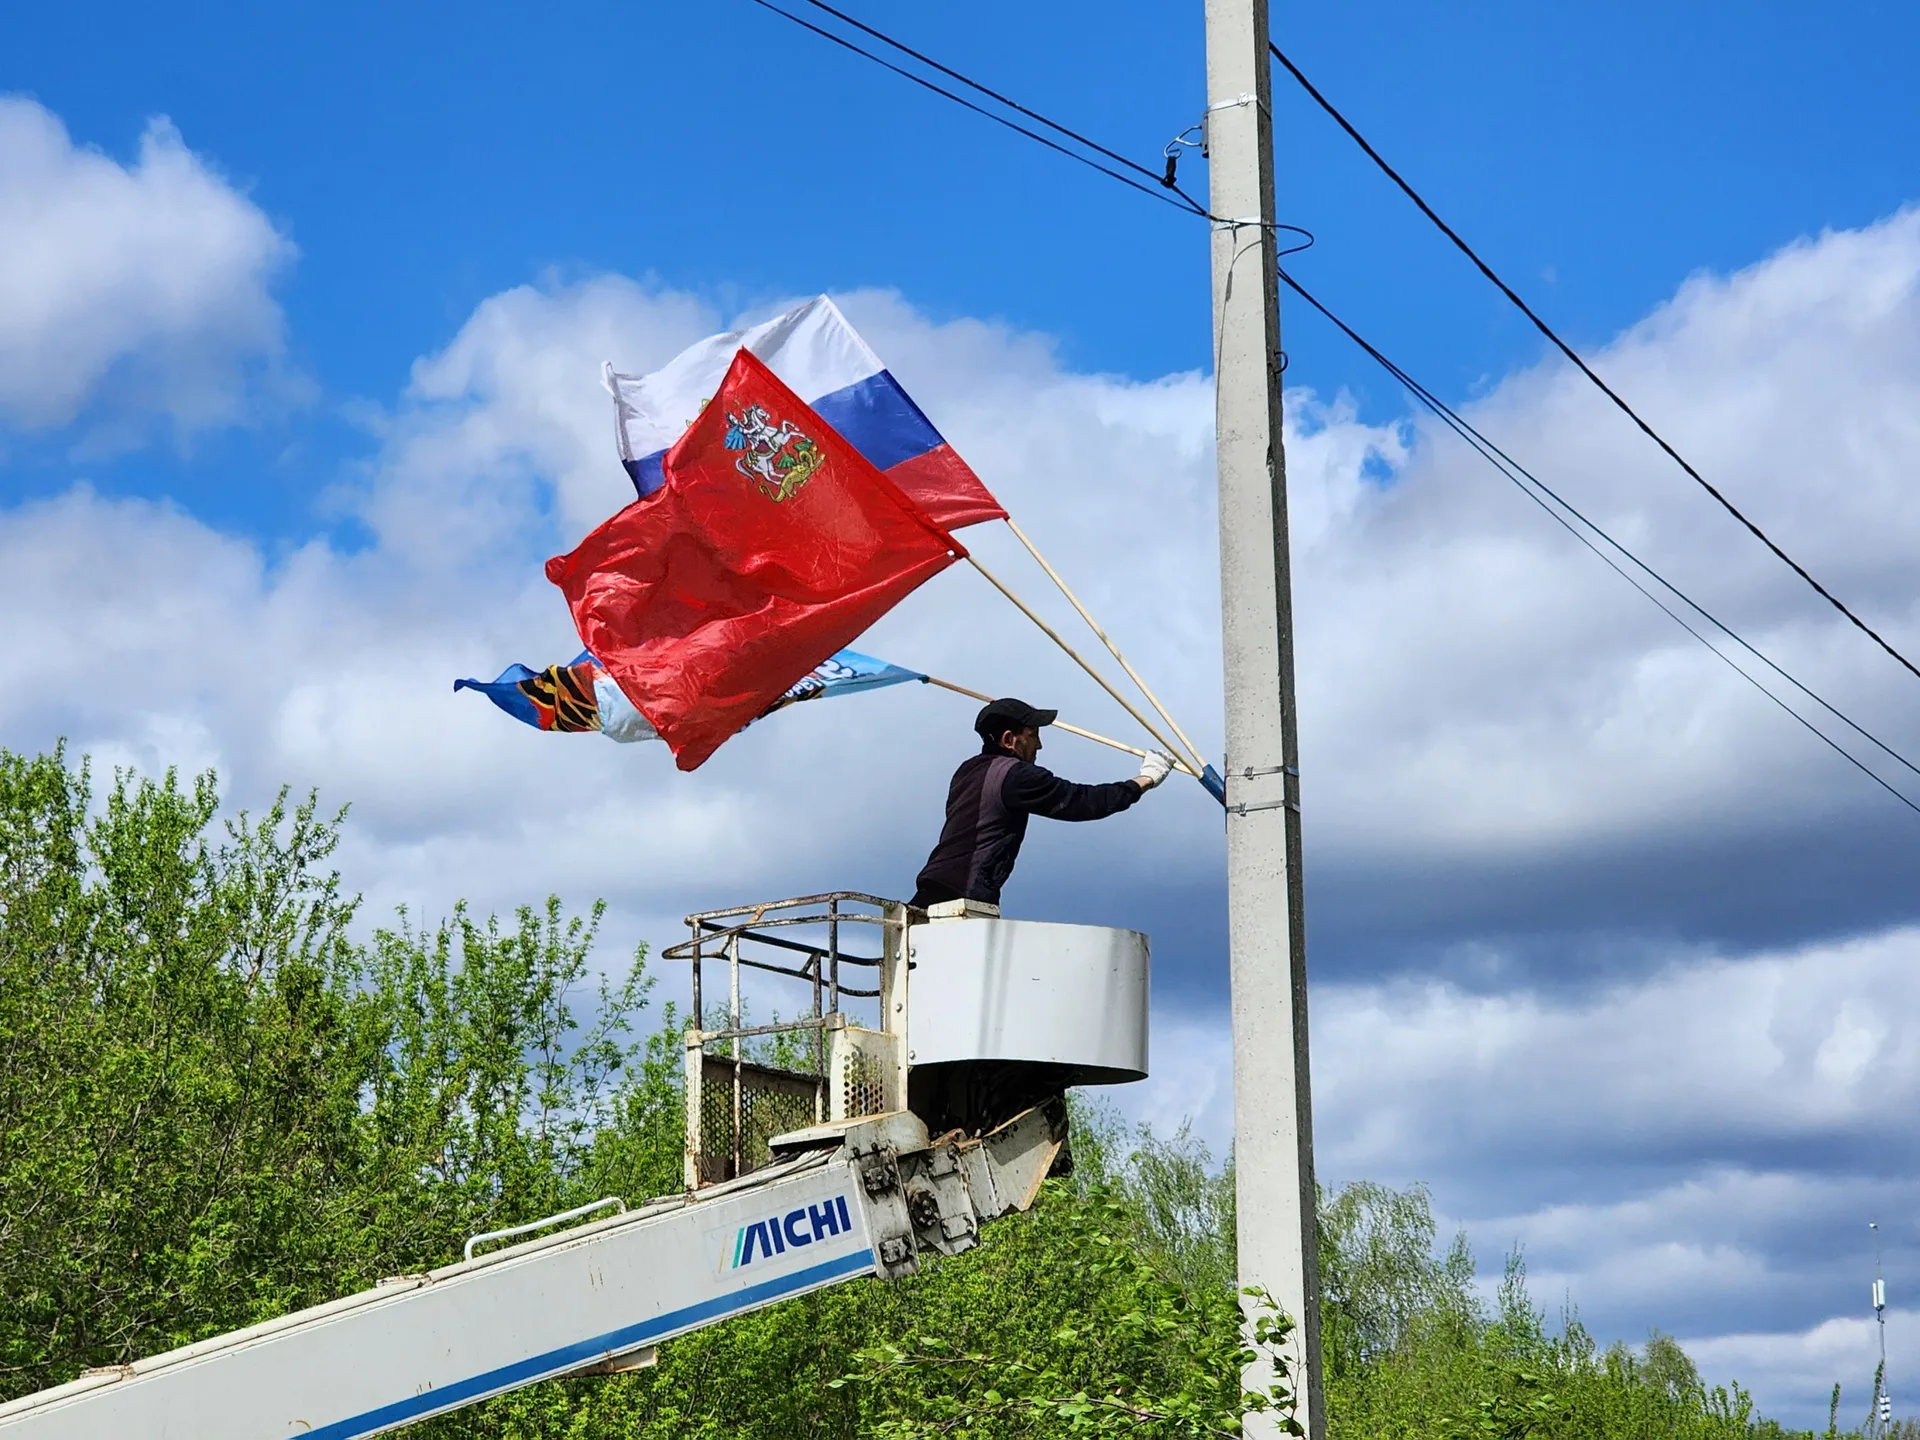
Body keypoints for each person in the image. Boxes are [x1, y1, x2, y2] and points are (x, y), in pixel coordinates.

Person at [911, 697, 1174, 910]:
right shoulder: (1016, 776)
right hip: (960, 899)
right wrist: (1145, 779)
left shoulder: (966, 771)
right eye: (1033, 734)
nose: (1040, 745)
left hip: (931, 891)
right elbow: (1083, 801)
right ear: (1008, 740)